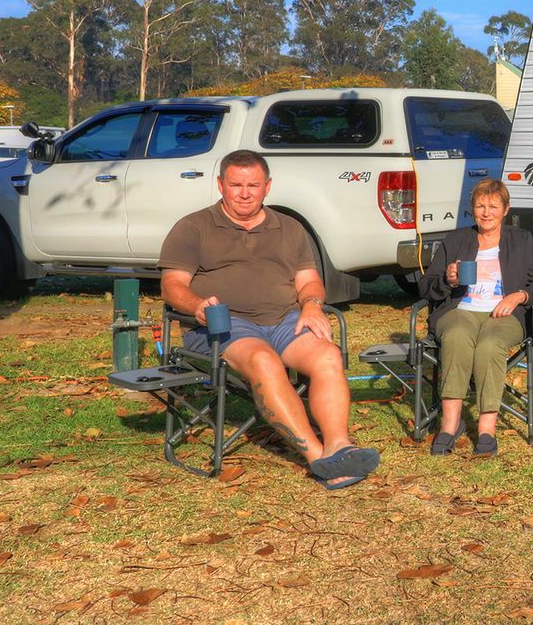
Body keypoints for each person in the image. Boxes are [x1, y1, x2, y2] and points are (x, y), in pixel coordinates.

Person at [158, 150, 378, 489]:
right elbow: (172, 286)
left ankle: (339, 445)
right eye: (236, 185)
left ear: (267, 187)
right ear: (220, 185)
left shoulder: (289, 228)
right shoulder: (193, 227)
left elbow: (309, 282)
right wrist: (198, 305)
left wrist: (312, 305)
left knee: (327, 355)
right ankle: (319, 458)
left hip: (283, 319)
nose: (244, 193)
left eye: (253, 185)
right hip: (222, 325)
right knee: (263, 359)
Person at [420, 179, 533, 456]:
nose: (486, 212)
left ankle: (486, 428)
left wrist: (518, 296)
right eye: (480, 206)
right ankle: (450, 423)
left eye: (493, 206)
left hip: (505, 314)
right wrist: (448, 278)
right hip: (460, 310)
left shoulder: (521, 240)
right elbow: (426, 287)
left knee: (490, 343)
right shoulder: (456, 240)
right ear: (472, 209)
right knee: (455, 336)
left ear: (506, 209)